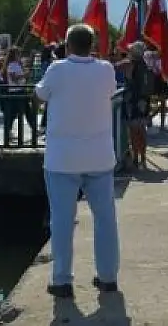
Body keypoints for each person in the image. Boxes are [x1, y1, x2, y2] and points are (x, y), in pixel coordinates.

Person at [35, 24, 120, 298]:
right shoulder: (106, 69)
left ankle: (62, 280)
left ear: (68, 45)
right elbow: (109, 92)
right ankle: (107, 277)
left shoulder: (57, 69)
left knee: (62, 220)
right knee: (105, 219)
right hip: (99, 156)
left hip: (62, 159)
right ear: (92, 44)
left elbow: (40, 95)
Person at [123, 42, 153, 169]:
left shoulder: (132, 64)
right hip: (144, 101)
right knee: (141, 130)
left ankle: (136, 158)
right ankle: (143, 157)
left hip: (133, 101)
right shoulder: (145, 65)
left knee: (134, 131)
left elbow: (129, 79)